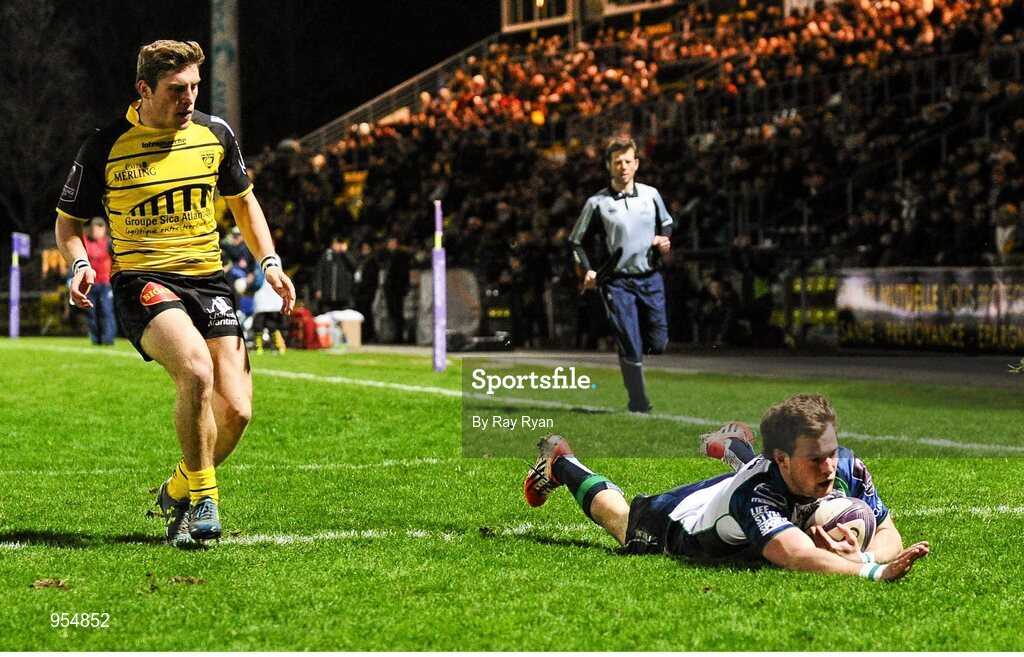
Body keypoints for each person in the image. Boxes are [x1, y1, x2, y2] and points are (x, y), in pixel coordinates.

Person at [54, 40, 295, 547]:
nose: (189, 98)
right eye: (176, 89)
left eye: (194, 87)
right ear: (144, 89)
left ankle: (178, 488)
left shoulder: (215, 134)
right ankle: (205, 498)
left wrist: (269, 261)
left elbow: (244, 204)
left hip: (209, 280)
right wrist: (79, 264)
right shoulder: (105, 145)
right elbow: (68, 222)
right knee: (196, 370)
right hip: (143, 280)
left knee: (237, 411)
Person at [523, 394, 929, 581]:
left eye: (831, 452)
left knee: (767, 476)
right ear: (782, 459)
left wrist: (864, 553)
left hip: (748, 487)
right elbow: (795, 554)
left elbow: (888, 529)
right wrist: (871, 570)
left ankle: (733, 445)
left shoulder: (844, 465)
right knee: (622, 519)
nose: (829, 466)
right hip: (681, 521)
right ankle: (562, 462)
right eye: (815, 459)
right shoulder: (756, 494)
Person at [569, 138, 674, 413]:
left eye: (628, 161)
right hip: (616, 282)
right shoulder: (597, 203)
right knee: (629, 340)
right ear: (609, 166)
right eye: (617, 162)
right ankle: (639, 403)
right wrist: (588, 269)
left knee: (659, 343)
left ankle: (636, 354)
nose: (623, 166)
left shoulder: (651, 195)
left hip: (650, 278)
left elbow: (666, 223)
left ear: (636, 164)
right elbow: (577, 241)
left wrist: (663, 239)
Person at [83, 218, 116, 345]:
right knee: (91, 313)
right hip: (89, 283)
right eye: (93, 229)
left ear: (104, 229)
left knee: (106, 311)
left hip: (105, 283)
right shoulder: (85, 242)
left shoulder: (109, 243)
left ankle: (108, 339)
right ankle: (95, 339)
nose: (95, 231)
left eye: (98, 229)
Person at [314, 235, 357, 314]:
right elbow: (319, 273)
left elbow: (354, 266)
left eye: (338, 243)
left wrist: (345, 252)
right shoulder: (326, 256)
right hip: (327, 296)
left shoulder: (347, 256)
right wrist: (318, 288)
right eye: (334, 243)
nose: (335, 245)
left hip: (343, 296)